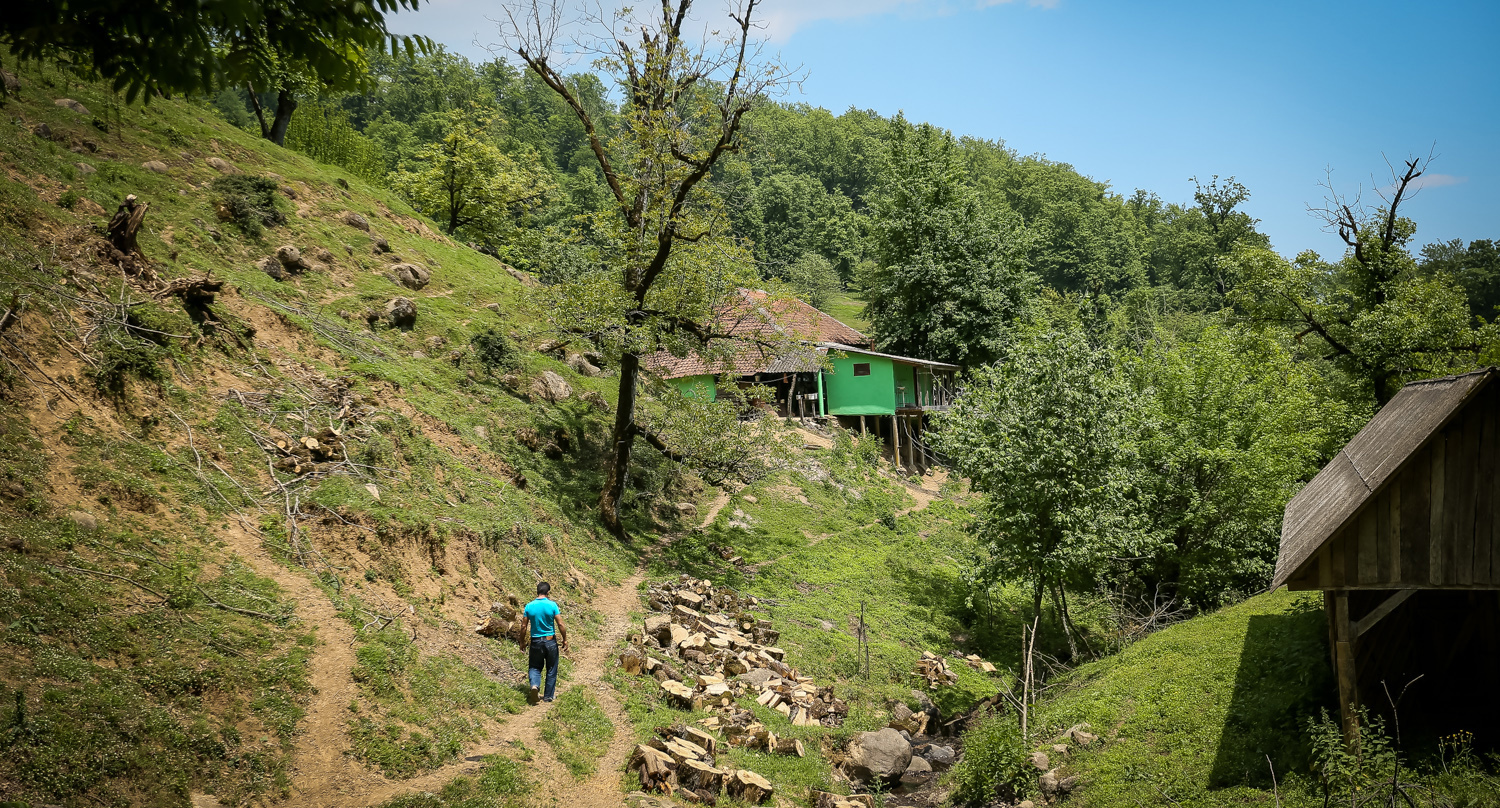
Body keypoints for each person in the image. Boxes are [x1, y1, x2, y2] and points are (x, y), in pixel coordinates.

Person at [518, 581, 568, 704]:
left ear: (537, 591)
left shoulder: (529, 606)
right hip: (550, 641)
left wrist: (522, 641)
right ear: (548, 592)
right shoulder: (552, 605)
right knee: (551, 668)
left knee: (534, 667)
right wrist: (565, 639)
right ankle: (548, 696)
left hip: (535, 641)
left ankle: (534, 685)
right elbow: (560, 623)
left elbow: (523, 626)